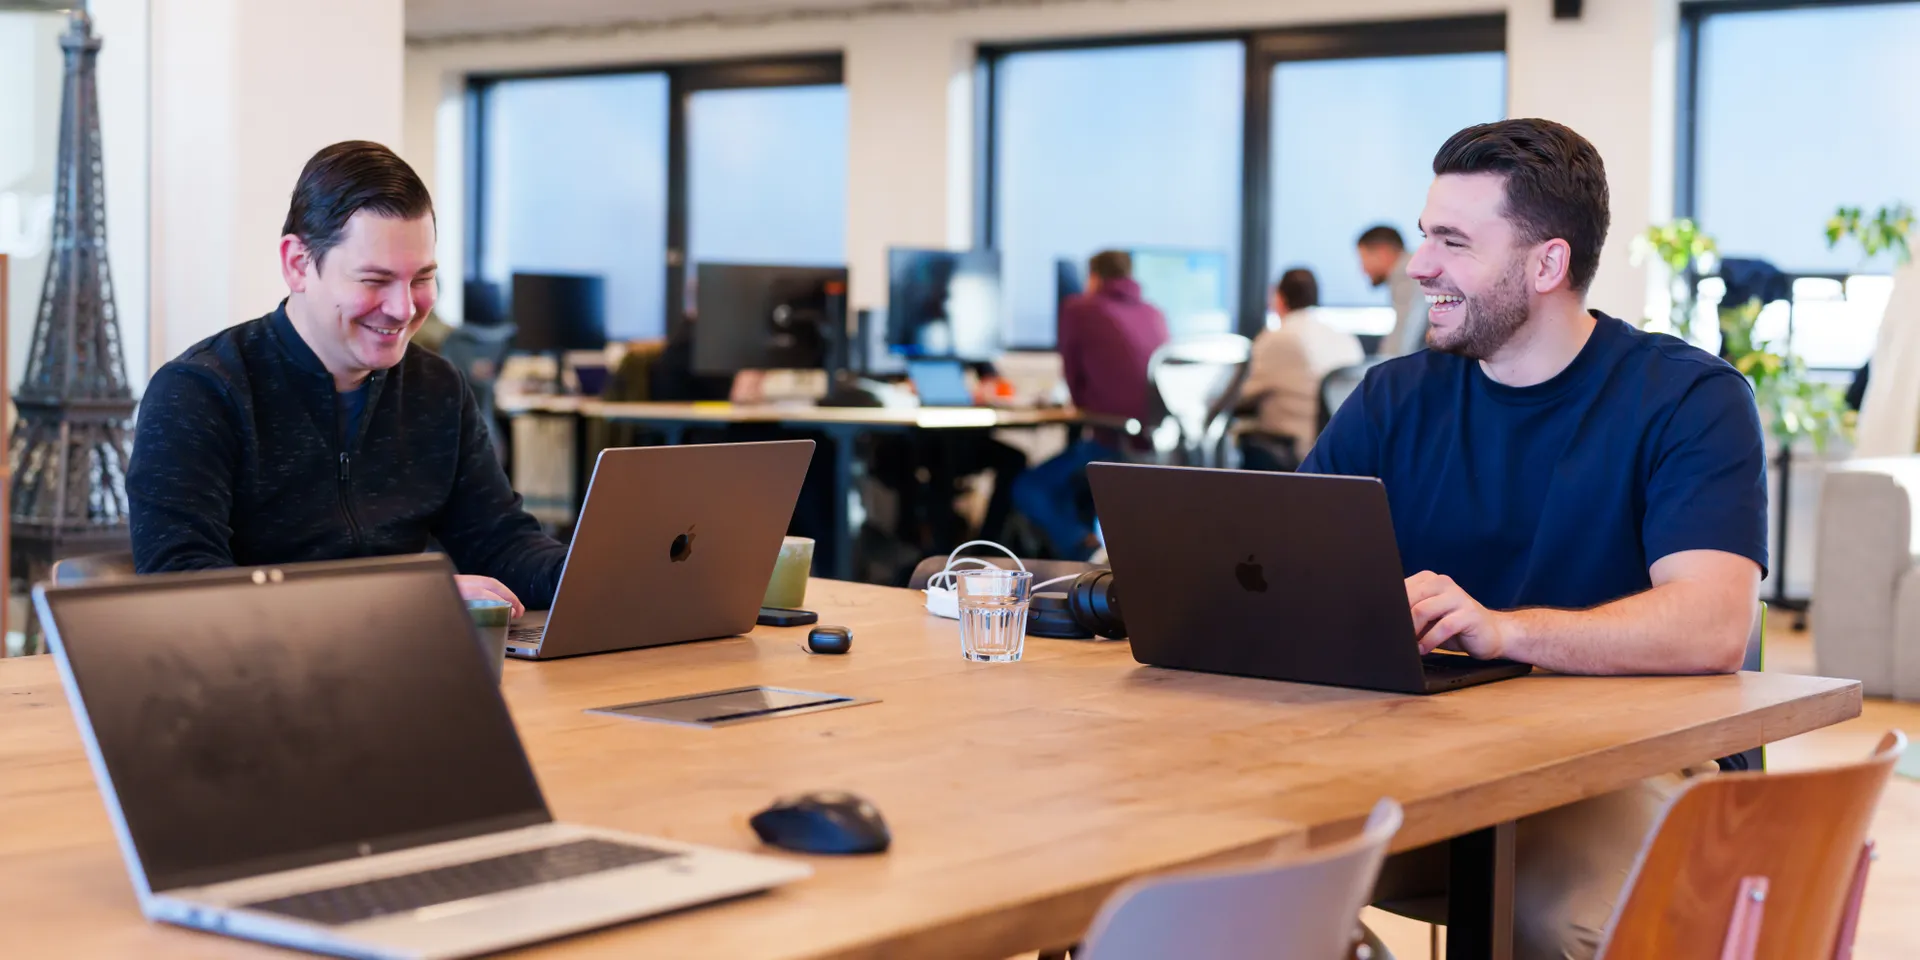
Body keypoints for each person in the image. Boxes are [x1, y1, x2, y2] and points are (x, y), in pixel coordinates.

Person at [1303, 119, 1767, 959]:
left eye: (1452, 241)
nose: (1419, 266)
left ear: (1546, 264)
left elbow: (1713, 624)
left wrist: (1507, 630)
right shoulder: (1391, 400)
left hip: (1624, 766)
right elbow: (1283, 569)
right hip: (1424, 763)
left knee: (1564, 924)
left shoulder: (1689, 400)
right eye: (1422, 237)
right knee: (1200, 875)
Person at [129, 141, 565, 615]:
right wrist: (406, 599)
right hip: (254, 678)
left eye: (421, 278)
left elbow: (500, 542)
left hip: (402, 669)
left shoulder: (437, 387)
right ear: (298, 264)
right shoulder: (199, 392)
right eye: (375, 281)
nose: (403, 308)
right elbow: (182, 583)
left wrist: (591, 574)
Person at [1012, 250, 1169, 560]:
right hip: (1153, 446)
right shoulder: (1153, 312)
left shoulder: (1080, 308)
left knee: (1030, 488)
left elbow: (1074, 384)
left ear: (1094, 277)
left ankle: (1088, 552)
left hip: (1112, 442)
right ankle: (1080, 560)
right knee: (1074, 488)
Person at [1237, 267, 1364, 469]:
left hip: (1296, 449)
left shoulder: (1279, 338)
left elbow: (1243, 396)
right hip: (1345, 450)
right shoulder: (1345, 338)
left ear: (1279, 298)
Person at [1357, 224, 1428, 358]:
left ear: (1382, 252)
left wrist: (1376, 372)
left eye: (1364, 259)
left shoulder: (1409, 274)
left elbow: (1402, 339)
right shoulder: (1415, 269)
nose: (1363, 270)